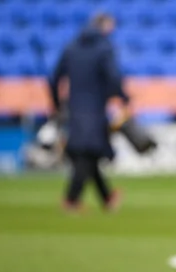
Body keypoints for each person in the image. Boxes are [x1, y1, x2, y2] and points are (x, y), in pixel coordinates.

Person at [49, 13, 129, 212]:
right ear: (102, 26)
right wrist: (122, 97)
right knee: (88, 153)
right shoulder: (104, 48)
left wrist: (57, 103)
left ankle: (107, 198)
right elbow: (113, 77)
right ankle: (71, 199)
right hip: (95, 109)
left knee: (88, 153)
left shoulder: (71, 46)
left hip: (74, 109)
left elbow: (54, 78)